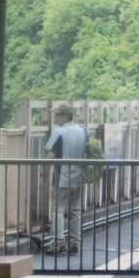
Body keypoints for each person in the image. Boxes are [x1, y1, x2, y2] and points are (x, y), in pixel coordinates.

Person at [44, 104, 88, 255]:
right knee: (75, 210)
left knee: (57, 209)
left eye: (57, 115)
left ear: (65, 117)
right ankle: (74, 244)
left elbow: (50, 155)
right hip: (79, 177)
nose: (55, 118)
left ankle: (59, 243)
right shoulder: (83, 130)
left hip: (61, 178)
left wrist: (44, 175)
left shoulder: (59, 132)